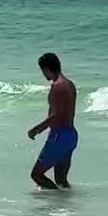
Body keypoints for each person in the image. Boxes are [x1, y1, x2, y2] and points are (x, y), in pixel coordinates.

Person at [26, 52, 77, 190]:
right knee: (61, 180)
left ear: (47, 69)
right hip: (70, 135)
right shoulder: (69, 84)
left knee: (36, 175)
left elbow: (57, 114)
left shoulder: (57, 86)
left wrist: (37, 129)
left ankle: (57, 200)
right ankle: (66, 206)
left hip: (59, 135)